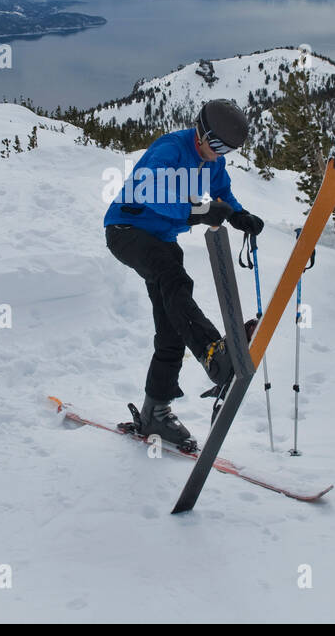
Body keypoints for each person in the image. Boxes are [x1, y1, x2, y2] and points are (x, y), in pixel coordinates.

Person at [103, 98, 265, 448]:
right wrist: (201, 212)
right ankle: (215, 357)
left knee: (172, 325)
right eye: (217, 145)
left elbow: (222, 193)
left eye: (228, 150)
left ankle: (155, 414)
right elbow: (151, 193)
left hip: (161, 238)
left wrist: (239, 216)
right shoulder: (170, 150)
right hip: (127, 230)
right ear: (201, 132)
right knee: (176, 281)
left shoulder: (213, 161)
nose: (219, 154)